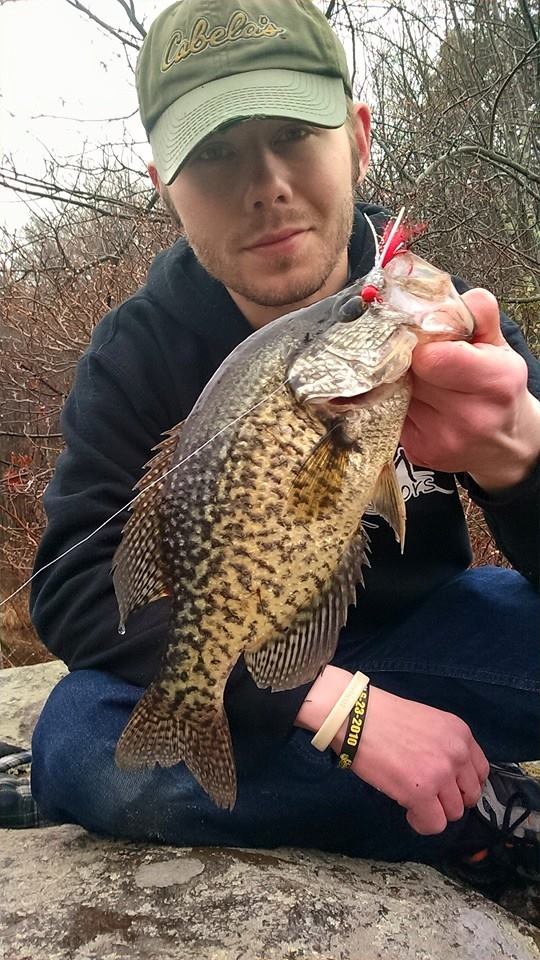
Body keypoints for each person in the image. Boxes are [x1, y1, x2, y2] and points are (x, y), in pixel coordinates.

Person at [16, 0, 540, 886]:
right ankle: (480, 817)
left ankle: (385, 790)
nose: (265, 186)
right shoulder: (136, 352)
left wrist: (519, 460)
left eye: (294, 131)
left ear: (360, 137)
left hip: (433, 641)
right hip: (247, 684)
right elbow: (69, 589)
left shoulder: (439, 312)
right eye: (214, 154)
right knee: (78, 746)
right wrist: (337, 708)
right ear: (160, 183)